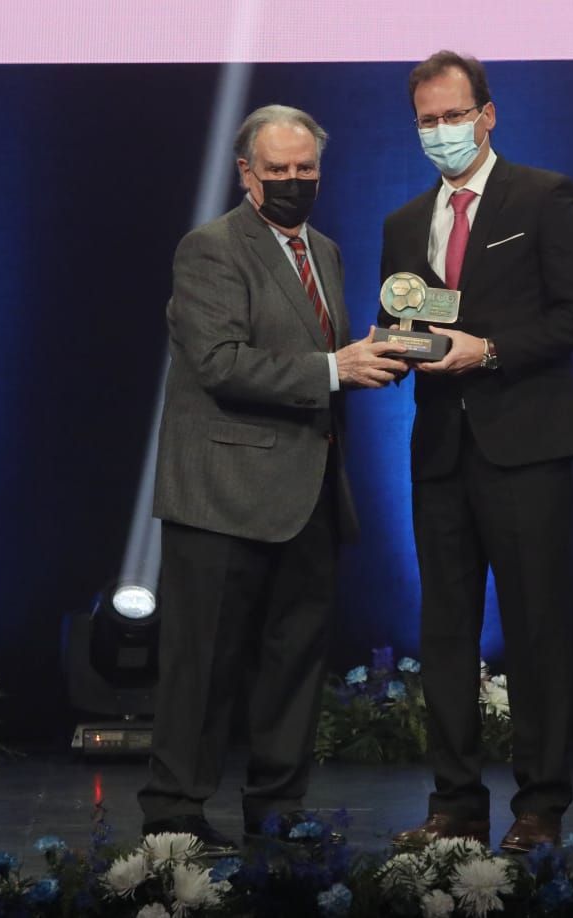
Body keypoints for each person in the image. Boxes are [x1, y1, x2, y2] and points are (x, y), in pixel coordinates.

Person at [138, 105, 408, 854]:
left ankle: (278, 805)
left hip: (309, 487)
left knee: (296, 658)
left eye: (306, 169)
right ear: (246, 173)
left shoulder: (322, 249)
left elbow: (315, 358)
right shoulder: (211, 248)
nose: (294, 181)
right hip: (223, 492)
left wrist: (367, 358)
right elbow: (219, 362)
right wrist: (335, 368)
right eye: (279, 170)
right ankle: (174, 812)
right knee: (204, 662)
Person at [381, 51, 573, 854]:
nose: (442, 132)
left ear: (488, 113)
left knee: (537, 629)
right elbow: (409, 330)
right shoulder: (406, 223)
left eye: (454, 115)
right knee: (444, 632)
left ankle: (540, 805)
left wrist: (492, 349)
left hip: (527, 448)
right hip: (440, 450)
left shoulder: (542, 197)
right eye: (427, 121)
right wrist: (383, 355)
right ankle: (455, 805)